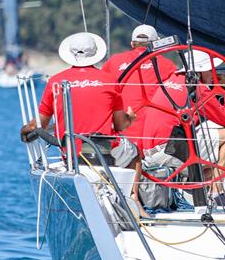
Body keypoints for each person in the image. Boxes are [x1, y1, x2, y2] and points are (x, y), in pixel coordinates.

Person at [19, 32, 139, 174]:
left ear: (70, 54)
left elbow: (39, 125)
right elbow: (120, 124)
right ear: (95, 53)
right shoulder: (110, 80)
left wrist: (24, 131)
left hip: (70, 155)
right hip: (103, 154)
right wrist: (130, 118)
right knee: (135, 154)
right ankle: (134, 195)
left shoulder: (55, 81)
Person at [140, 49, 225, 202]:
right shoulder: (197, 87)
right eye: (210, 70)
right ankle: (217, 191)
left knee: (215, 148)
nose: (213, 75)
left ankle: (202, 189)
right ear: (200, 72)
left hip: (152, 152)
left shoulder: (170, 81)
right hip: (169, 151)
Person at [102, 24, 177, 152]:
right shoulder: (167, 66)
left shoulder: (113, 62)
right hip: (153, 138)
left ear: (132, 44)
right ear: (156, 44)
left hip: (121, 135)